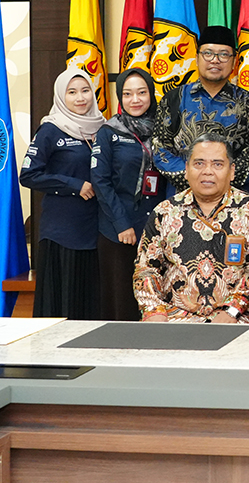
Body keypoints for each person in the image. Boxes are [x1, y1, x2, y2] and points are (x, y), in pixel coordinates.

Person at [133, 133, 249, 322]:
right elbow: (146, 269)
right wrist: (154, 311)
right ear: (186, 169)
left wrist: (232, 311)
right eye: (199, 163)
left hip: (235, 319)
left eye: (217, 164)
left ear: (232, 171)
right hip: (173, 319)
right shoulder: (165, 212)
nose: (207, 171)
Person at [21, 68, 105, 319]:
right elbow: (28, 175)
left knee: (91, 306)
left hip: (96, 231)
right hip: (63, 233)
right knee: (64, 305)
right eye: (72, 92)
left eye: (85, 90)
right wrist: (74, 185)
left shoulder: (103, 128)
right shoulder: (51, 129)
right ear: (61, 96)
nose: (80, 98)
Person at [91, 68, 167, 321]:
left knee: (157, 298)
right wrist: (122, 224)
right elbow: (100, 181)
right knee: (122, 300)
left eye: (142, 92)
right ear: (120, 97)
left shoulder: (164, 130)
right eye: (127, 94)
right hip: (119, 229)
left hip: (157, 227)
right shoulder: (108, 132)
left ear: (151, 94)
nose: (135, 99)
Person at [153, 25, 249, 194]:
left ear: (234, 62)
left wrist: (220, 180)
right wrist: (196, 179)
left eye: (224, 54)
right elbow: (160, 148)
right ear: (197, 58)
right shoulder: (173, 99)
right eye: (208, 53)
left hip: (234, 197)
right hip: (183, 196)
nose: (215, 60)